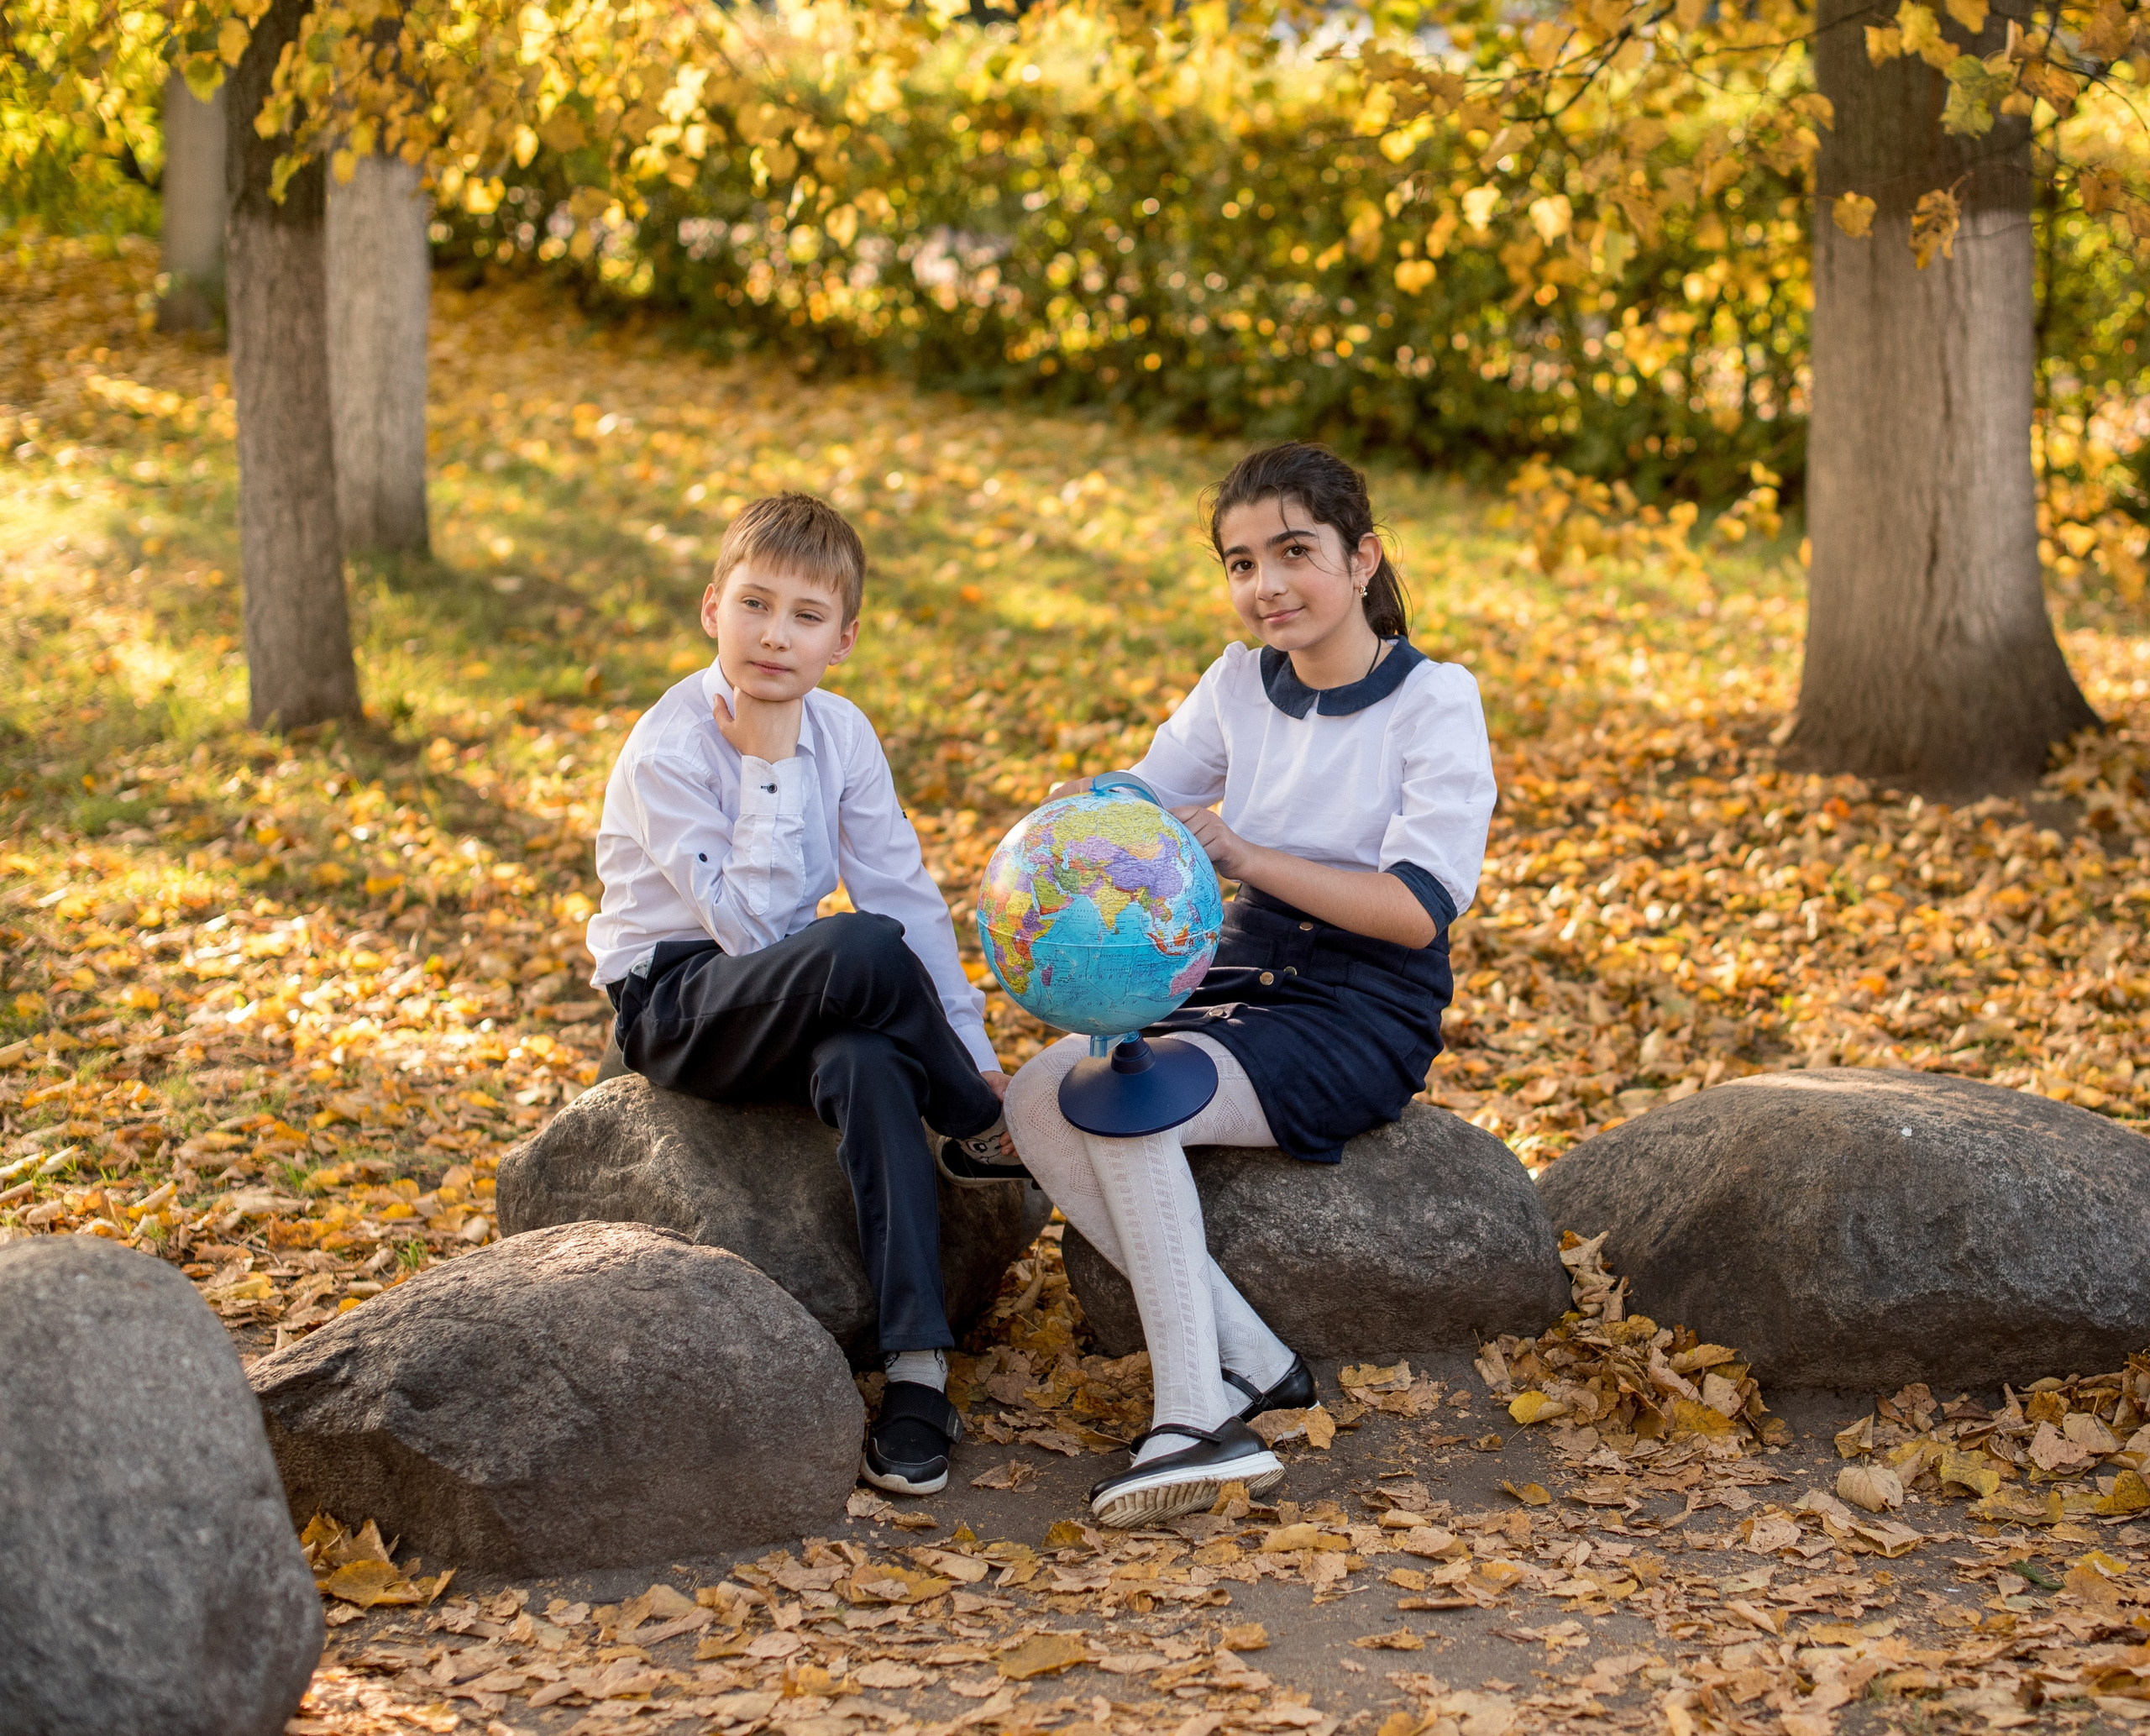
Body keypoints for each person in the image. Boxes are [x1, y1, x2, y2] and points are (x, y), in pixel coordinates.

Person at [1004, 442, 1497, 1528]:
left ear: (1361, 558)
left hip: (1362, 1001)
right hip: (1238, 970)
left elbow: (1417, 905)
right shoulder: (1237, 681)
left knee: (1127, 1092)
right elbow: (1150, 786)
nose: (1265, 584)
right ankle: (1258, 1360)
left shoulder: (1435, 699)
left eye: (1294, 551)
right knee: (1037, 1093)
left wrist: (1247, 857)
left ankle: (1193, 1417)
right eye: (1241, 561)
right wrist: (1079, 813)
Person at [586, 491, 1021, 1498]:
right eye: (755, 604)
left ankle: (917, 1374)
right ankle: (967, 1120)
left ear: (845, 640)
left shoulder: (847, 733)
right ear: (712, 609)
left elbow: (906, 895)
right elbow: (745, 928)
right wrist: (767, 767)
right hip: (682, 1001)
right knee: (858, 951)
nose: (775, 635)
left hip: (803, 989)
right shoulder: (671, 747)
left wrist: (975, 1037)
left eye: (806, 616)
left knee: (869, 1061)